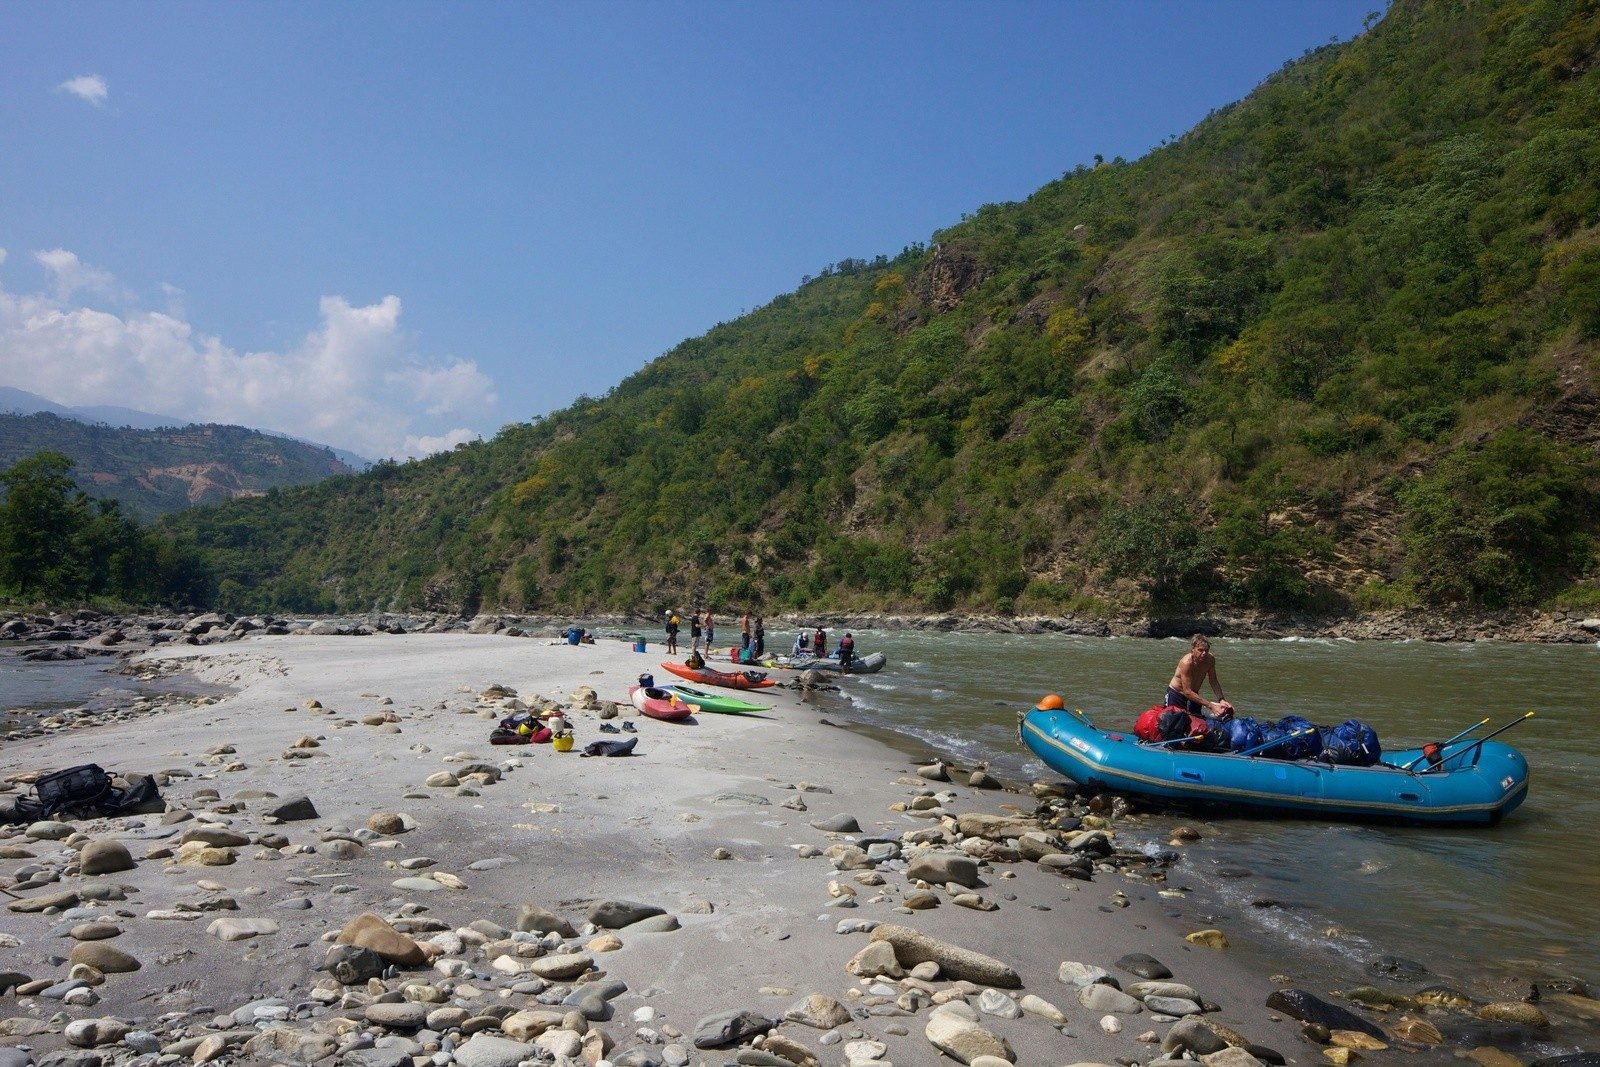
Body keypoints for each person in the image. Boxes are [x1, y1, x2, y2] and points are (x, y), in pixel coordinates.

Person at [1165, 634, 1233, 718]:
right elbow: (1187, 691)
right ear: (1192, 650)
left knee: (1198, 724)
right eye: (1200, 650)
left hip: (1194, 695)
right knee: (1173, 723)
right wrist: (1211, 706)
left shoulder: (1210, 660)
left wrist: (1221, 699)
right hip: (1176, 694)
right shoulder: (1186, 663)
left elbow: (1213, 681)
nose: (1204, 653)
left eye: (1206, 650)